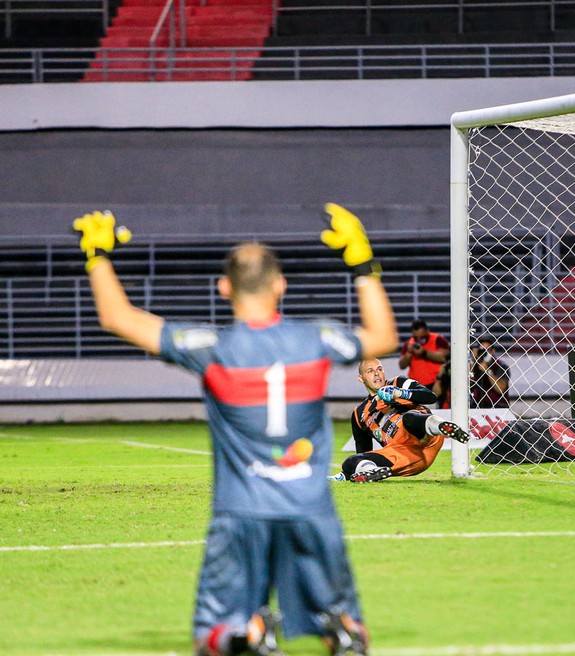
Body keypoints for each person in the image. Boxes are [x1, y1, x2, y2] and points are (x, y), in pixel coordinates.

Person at [74, 204, 398, 656]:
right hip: (310, 507)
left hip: (241, 510)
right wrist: (363, 264)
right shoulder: (316, 339)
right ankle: (340, 630)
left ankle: (246, 632)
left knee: (213, 634)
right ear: (281, 286)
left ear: (224, 287)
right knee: (344, 619)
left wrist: (97, 256)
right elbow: (383, 337)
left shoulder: (212, 347)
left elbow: (118, 319)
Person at [341, 358, 469, 482]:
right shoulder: (358, 414)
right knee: (351, 461)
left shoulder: (398, 383)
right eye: (370, 371)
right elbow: (364, 451)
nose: (376, 373)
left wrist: (400, 393)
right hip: (404, 453)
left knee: (408, 418)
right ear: (361, 378)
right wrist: (355, 467)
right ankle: (373, 471)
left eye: (379, 369)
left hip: (424, 434)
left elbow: (430, 397)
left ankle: (441, 426)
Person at [397, 319, 449, 391]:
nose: (420, 340)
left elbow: (444, 357)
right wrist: (409, 353)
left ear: (427, 331)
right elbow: (402, 365)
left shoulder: (438, 339)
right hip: (416, 385)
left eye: (422, 337)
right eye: (417, 338)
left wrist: (425, 353)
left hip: (436, 382)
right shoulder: (409, 344)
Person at [469, 336, 510, 408]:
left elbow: (501, 389)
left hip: (497, 404)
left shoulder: (501, 365)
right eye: (482, 350)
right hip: (477, 404)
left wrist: (487, 371)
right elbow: (467, 383)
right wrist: (473, 361)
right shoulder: (475, 365)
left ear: (492, 351)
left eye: (488, 350)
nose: (485, 352)